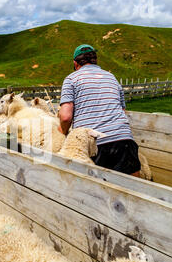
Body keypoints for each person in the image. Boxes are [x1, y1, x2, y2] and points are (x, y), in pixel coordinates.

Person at [58, 44, 141, 177]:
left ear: (75, 63)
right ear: (95, 60)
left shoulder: (71, 79)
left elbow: (66, 117)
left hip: (95, 143)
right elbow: (122, 111)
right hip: (123, 139)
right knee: (133, 189)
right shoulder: (111, 77)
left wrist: (62, 132)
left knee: (97, 192)